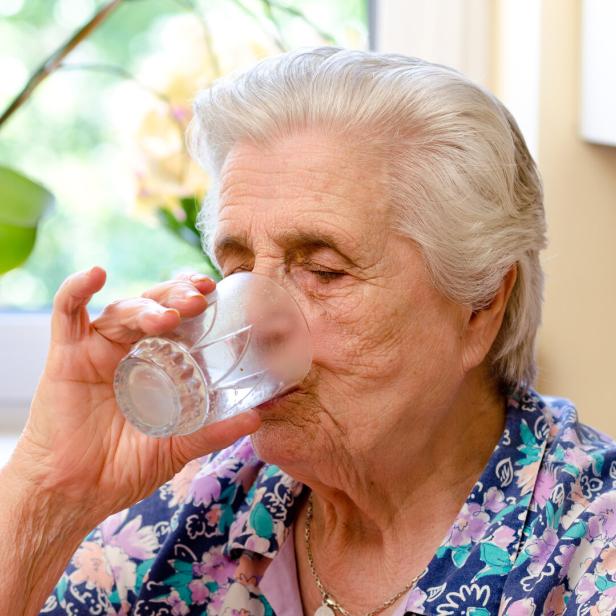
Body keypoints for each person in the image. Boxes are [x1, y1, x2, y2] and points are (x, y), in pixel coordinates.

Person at [1, 47, 615, 616]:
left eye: (324, 271)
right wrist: (51, 490)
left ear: (480, 304)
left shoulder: (591, 549)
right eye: (238, 268)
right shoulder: (196, 492)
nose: (255, 326)